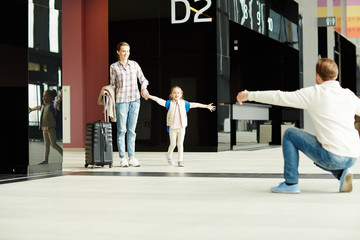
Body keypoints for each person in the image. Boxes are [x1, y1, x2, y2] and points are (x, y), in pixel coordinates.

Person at [236, 58, 360, 193]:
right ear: (336, 76)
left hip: (333, 157)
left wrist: (249, 95)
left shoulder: (314, 93)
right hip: (353, 155)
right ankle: (342, 174)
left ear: (318, 76)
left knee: (290, 133)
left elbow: (279, 97)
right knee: (325, 146)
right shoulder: (349, 95)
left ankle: (291, 183)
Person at [104, 42, 149, 167]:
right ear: (118, 52)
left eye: (128, 51)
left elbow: (143, 80)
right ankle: (123, 157)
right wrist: (107, 91)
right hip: (121, 101)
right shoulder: (113, 67)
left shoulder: (134, 65)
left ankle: (132, 157)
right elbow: (113, 85)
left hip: (135, 100)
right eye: (123, 51)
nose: (126, 53)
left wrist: (144, 88)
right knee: (122, 130)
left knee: (132, 130)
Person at [148, 86, 216, 167]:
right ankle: (169, 156)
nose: (176, 94)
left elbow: (195, 104)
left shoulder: (185, 103)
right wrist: (149, 96)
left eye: (178, 92)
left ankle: (180, 160)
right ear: (171, 95)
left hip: (181, 128)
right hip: (172, 128)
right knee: (173, 144)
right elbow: (158, 100)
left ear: (181, 94)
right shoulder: (169, 103)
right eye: (174, 92)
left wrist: (206, 106)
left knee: (180, 144)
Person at [29, 89, 63, 165]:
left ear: (51, 98)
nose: (44, 98)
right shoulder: (43, 106)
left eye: (46, 96)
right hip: (44, 128)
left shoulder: (52, 105)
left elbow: (57, 102)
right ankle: (45, 159)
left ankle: (65, 155)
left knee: (53, 144)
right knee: (46, 144)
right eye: (43, 96)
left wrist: (60, 97)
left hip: (51, 128)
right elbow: (37, 107)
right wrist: (31, 109)